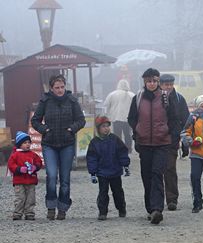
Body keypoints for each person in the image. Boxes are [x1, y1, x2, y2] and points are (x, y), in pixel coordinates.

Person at [127, 68, 180, 225]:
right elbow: (131, 118)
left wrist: (170, 134)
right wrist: (137, 132)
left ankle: (157, 209)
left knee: (157, 173)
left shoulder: (166, 98)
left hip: (162, 143)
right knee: (147, 176)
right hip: (144, 143)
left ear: (158, 82)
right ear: (144, 82)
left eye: (155, 81)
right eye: (149, 81)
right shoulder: (138, 98)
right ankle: (150, 208)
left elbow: (175, 119)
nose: (152, 83)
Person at [31, 74, 86, 220]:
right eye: (57, 87)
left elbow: (81, 120)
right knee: (51, 175)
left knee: (65, 179)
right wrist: (45, 130)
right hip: (49, 144)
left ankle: (62, 208)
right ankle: (50, 206)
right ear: (51, 88)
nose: (60, 90)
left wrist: (71, 129)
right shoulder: (45, 101)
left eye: (62, 87)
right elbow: (35, 120)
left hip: (67, 144)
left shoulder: (72, 101)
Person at [86, 115, 130, 221]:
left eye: (107, 126)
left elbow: (122, 152)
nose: (106, 128)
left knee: (118, 192)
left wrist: (125, 165)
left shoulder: (115, 139)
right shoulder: (94, 143)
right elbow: (92, 158)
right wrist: (92, 173)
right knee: (103, 192)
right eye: (103, 126)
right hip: (102, 173)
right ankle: (102, 212)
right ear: (98, 129)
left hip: (115, 171)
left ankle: (121, 208)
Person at [159, 74, 190, 211]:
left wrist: (185, 142)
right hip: (157, 139)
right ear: (161, 85)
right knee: (156, 170)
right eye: (166, 85)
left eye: (170, 84)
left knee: (170, 169)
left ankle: (172, 199)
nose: (169, 87)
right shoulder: (155, 99)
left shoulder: (179, 99)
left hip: (172, 138)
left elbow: (186, 121)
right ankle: (157, 199)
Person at [7, 131, 43, 220]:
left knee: (31, 198)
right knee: (20, 198)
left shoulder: (33, 154)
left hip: (31, 180)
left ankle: (29, 213)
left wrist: (35, 167)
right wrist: (19, 169)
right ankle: (17, 213)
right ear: (19, 144)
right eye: (24, 143)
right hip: (19, 181)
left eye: (28, 142)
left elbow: (39, 162)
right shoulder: (15, 155)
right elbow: (11, 165)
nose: (27, 144)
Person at [104, 79, 135, 153]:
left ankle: (118, 148)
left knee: (117, 135)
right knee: (128, 134)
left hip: (116, 118)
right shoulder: (132, 95)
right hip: (128, 119)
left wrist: (107, 115)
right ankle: (128, 149)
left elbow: (106, 105)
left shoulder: (112, 94)